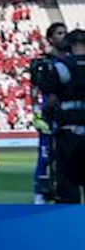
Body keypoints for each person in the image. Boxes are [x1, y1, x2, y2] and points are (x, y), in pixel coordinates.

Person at [43, 29, 85, 203]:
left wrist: (48, 114)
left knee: (68, 186)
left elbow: (51, 100)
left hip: (69, 134)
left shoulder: (61, 66)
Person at [29, 22, 67, 204]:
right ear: (51, 39)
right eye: (59, 33)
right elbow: (35, 91)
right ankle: (39, 195)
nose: (64, 36)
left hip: (67, 117)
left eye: (65, 32)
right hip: (48, 116)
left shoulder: (71, 61)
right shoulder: (42, 62)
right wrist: (36, 115)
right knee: (45, 155)